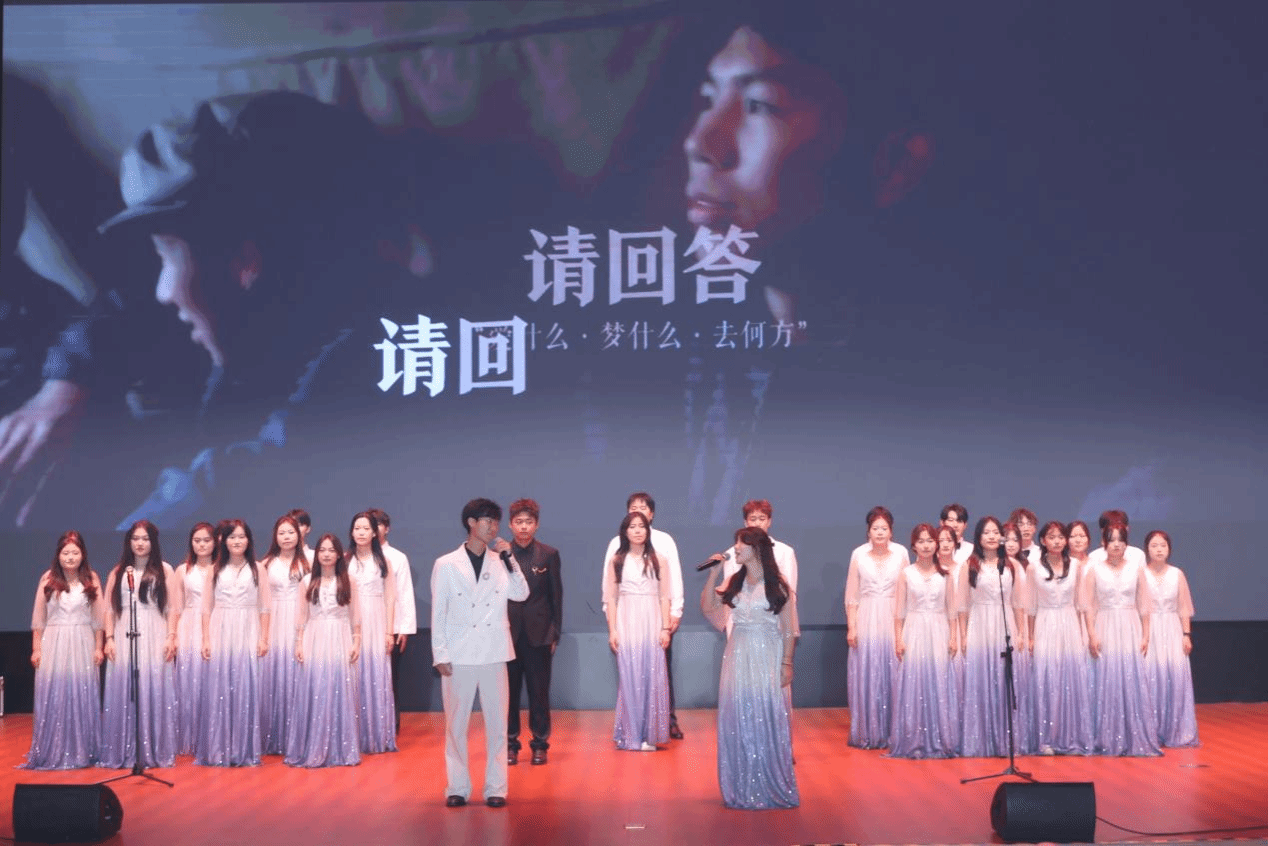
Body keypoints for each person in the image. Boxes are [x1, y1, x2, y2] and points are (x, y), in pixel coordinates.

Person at [431, 498, 528, 808]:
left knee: (498, 725)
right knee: (456, 725)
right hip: (458, 653)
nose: (493, 527)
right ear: (471, 523)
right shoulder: (446, 564)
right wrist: (440, 653)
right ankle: (457, 787)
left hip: (494, 651)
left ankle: (496, 787)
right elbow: (439, 612)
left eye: (496, 522)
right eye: (488, 521)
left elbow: (521, 593)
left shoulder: (501, 561)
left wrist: (510, 558)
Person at [700, 526, 798, 809]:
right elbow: (709, 607)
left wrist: (787, 662)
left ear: (756, 548)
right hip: (738, 654)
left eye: (741, 543)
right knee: (739, 715)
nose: (736, 548)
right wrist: (713, 574)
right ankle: (742, 784)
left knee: (765, 714)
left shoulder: (777, 584)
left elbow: (788, 629)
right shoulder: (734, 580)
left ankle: (768, 783)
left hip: (767, 654)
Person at [602, 492, 684, 739]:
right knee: (630, 674)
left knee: (657, 674)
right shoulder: (616, 553)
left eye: (643, 511)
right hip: (627, 620)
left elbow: (670, 587)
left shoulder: (663, 547)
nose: (637, 530)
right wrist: (613, 627)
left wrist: (672, 616)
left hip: (655, 619)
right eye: (632, 523)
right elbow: (610, 594)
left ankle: (659, 726)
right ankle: (631, 730)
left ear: (652, 515)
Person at [99, 520, 178, 769]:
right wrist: (109, 639)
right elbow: (109, 610)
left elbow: (172, 608)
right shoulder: (118, 572)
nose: (140, 543)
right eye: (135, 539)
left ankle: (153, 749)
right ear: (129, 542)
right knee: (127, 689)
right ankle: (125, 749)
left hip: (155, 632)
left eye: (145, 539)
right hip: (125, 633)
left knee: (153, 687)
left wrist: (171, 636)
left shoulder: (165, 570)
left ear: (153, 542)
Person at [24, 530, 104, 769]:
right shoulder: (48, 579)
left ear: (83, 554)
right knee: (55, 694)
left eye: (75, 553)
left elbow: (98, 619)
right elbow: (39, 619)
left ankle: (83, 750)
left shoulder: (91, 578)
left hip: (82, 640)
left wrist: (99, 647)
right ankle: (54, 749)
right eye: (65, 553)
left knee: (81, 693)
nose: (70, 557)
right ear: (58, 555)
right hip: (54, 641)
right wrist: (36, 649)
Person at [1080, 522, 1160, 756]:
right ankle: (1104, 736)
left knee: (1130, 678)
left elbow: (1144, 605)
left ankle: (1133, 736)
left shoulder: (1136, 569)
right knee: (1105, 678)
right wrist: (1091, 634)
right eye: (1112, 539)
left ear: (1126, 543)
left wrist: (1146, 635)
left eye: (1120, 540)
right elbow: (1088, 606)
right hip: (1104, 625)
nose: (1116, 544)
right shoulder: (1094, 570)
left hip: (1130, 626)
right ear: (1103, 542)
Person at [197, 518, 270, 766]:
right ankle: (219, 749)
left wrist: (263, 638)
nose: (237, 541)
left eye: (241, 536)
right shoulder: (214, 569)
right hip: (221, 628)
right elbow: (206, 608)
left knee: (245, 686)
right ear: (223, 541)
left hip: (248, 628)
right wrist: (206, 639)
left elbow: (265, 608)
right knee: (220, 688)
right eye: (231, 537)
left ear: (248, 540)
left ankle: (244, 749)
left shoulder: (258, 569)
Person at [286, 533, 362, 767]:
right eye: (322, 550)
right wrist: (298, 642)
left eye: (331, 550)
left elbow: (355, 616)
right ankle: (313, 747)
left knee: (339, 689)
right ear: (316, 554)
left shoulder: (349, 580)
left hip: (340, 637)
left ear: (339, 554)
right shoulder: (307, 581)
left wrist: (356, 640)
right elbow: (302, 616)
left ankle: (340, 748)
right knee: (315, 690)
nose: (326, 554)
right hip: (314, 638)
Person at [887, 523, 959, 759]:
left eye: (930, 540)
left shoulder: (946, 575)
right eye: (921, 541)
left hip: (939, 631)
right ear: (914, 546)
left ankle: (940, 740)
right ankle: (914, 740)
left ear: (936, 544)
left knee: (939, 682)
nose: (926, 545)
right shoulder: (906, 574)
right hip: (914, 631)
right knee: (915, 683)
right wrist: (898, 639)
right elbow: (899, 612)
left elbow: (952, 611)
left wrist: (953, 637)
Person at [958, 516, 1027, 758]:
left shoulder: (1011, 565)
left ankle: (1005, 742)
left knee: (1003, 681)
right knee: (981, 681)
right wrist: (963, 635)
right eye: (986, 532)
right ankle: (980, 740)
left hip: (1004, 625)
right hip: (979, 625)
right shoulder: (969, 565)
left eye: (995, 532)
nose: (991, 536)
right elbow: (962, 606)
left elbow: (1019, 604)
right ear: (978, 537)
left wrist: (1021, 633)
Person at [504, 498, 563, 766]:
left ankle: (540, 744)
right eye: (519, 522)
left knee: (539, 693)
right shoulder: (499, 556)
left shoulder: (549, 554)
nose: (524, 527)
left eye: (529, 522)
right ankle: (510, 744)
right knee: (508, 694)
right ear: (510, 525)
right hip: (507, 636)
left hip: (539, 636)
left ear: (537, 525)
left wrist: (555, 633)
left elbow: (556, 597)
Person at [1027, 521, 1093, 755]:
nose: (1057, 541)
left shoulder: (1076, 566)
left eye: (1060, 537)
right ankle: (1046, 739)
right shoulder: (1033, 568)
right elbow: (1031, 607)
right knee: (1047, 679)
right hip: (1045, 623)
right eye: (1051, 537)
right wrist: (1030, 637)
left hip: (1070, 625)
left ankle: (1071, 736)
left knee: (1069, 679)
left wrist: (1085, 633)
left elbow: (1081, 604)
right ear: (1043, 541)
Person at [844, 505, 906, 748]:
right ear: (868, 531)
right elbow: (852, 595)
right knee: (868, 672)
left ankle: (895, 732)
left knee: (894, 671)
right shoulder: (858, 554)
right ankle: (868, 731)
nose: (880, 532)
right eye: (875, 528)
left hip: (893, 616)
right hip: (867, 617)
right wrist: (852, 627)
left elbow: (905, 591)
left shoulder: (901, 553)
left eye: (884, 528)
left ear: (891, 531)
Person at [1141, 530, 1199, 748]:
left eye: (1163, 545)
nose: (1159, 550)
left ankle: (1176, 730)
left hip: (1173, 629)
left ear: (1169, 549)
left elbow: (1184, 607)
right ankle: (1150, 732)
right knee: (1150, 677)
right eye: (1154, 545)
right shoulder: (1140, 574)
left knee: (1174, 677)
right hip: (1149, 629)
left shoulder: (1177, 574)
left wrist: (1186, 634)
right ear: (1147, 549)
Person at [347, 510, 398, 754]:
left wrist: (389, 632)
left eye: (366, 528)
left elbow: (390, 599)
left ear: (375, 533)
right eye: (357, 528)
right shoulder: (345, 560)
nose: (361, 533)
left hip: (376, 622)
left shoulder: (383, 561)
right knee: (352, 675)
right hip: (350, 624)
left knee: (375, 674)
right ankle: (351, 735)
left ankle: (376, 735)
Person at [260, 515, 309, 755]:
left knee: (298, 673)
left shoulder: (308, 562)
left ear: (299, 535)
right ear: (275, 537)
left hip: (301, 619)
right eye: (281, 533)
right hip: (274, 620)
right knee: (275, 674)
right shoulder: (266, 564)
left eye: (290, 532)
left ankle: (299, 735)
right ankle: (275, 734)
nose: (286, 537)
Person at [368, 508, 416, 734]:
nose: (373, 529)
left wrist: (404, 629)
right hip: (363, 627)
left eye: (378, 524)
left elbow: (405, 594)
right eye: (368, 525)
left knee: (389, 678)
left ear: (386, 529)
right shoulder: (352, 558)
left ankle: (390, 724)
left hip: (391, 626)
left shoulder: (397, 557)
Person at [174, 521, 215, 757]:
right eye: (197, 540)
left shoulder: (221, 568)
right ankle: (191, 737)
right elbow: (176, 607)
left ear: (215, 542)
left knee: (211, 681)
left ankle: (211, 735)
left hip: (215, 625)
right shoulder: (183, 570)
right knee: (190, 682)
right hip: (189, 626)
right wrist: (173, 635)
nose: (202, 545)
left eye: (207, 540)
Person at [1000, 521, 1036, 754]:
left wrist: (1022, 632)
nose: (1011, 544)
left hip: (1015, 628)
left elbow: (1021, 605)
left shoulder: (1021, 567)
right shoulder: (989, 565)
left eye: (1016, 539)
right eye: (1007, 539)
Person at [936, 525, 966, 698]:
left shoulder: (963, 568)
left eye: (949, 540)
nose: (945, 544)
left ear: (955, 543)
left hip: (960, 626)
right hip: (937, 625)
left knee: (958, 671)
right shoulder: (929, 568)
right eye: (941, 540)